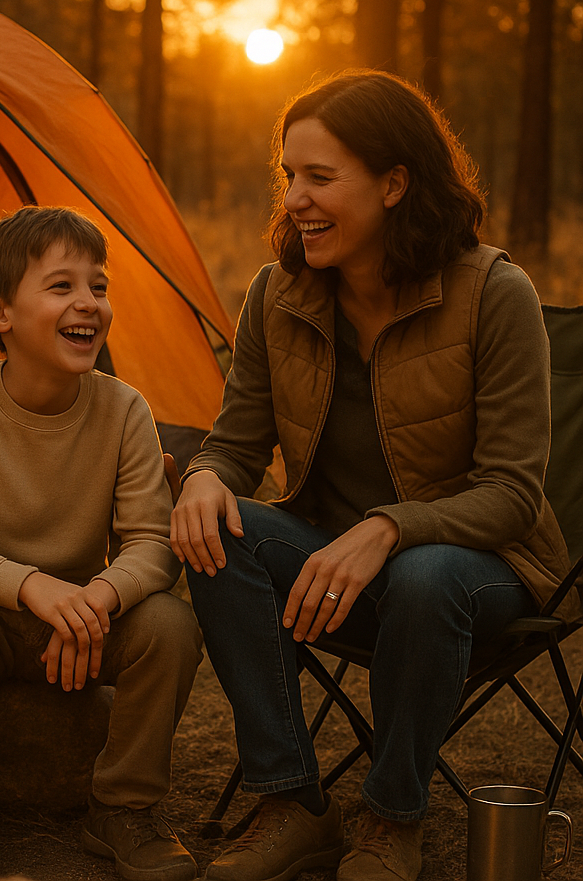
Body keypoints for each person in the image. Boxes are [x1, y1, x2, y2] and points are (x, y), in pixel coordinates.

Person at [171, 70, 579, 881]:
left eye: (320, 178)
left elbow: (510, 492)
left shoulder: (492, 294)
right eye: (290, 177)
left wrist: (389, 527)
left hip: (484, 574)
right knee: (223, 530)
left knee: (427, 576)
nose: (295, 200)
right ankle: (291, 802)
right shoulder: (276, 295)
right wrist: (206, 476)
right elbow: (236, 442)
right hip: (333, 564)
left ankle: (394, 817)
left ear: (395, 184)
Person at [0, 205, 204, 881]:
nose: (88, 303)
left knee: (170, 625)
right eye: (62, 287)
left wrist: (101, 596)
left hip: (85, 621)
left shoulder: (125, 411)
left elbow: (152, 543)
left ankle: (122, 809)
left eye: (98, 286)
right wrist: (30, 586)